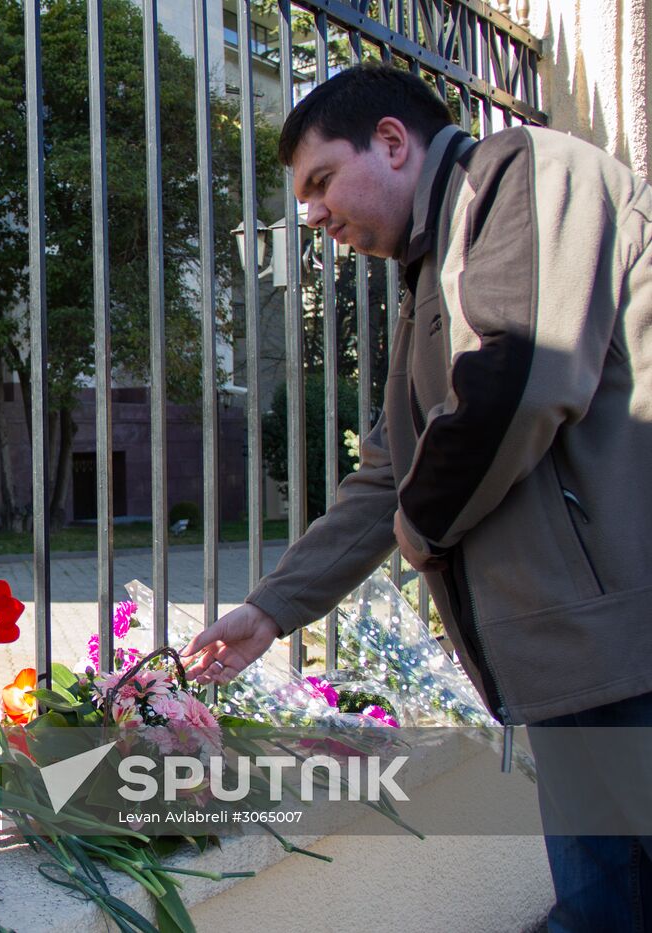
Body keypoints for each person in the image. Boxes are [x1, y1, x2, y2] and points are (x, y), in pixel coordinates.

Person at [181, 64, 652, 931]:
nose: (313, 215)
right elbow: (390, 467)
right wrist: (271, 609)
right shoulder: (432, 271)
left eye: (321, 181)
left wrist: (421, 532)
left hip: (629, 650)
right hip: (573, 669)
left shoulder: (522, 174)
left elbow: (518, 376)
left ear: (393, 142)